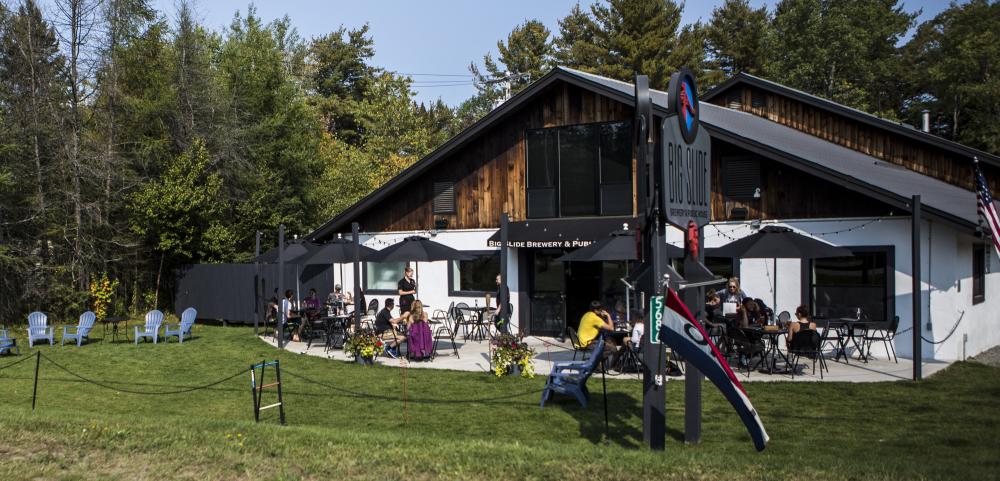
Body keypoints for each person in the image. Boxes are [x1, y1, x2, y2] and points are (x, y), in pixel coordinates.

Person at [577, 301, 621, 370]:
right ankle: (593, 361)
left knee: (610, 341)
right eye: (600, 310)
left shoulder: (587, 314)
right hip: (587, 343)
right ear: (595, 310)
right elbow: (611, 328)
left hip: (581, 341)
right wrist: (608, 315)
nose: (602, 311)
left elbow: (599, 324)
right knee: (613, 349)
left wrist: (601, 316)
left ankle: (599, 362)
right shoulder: (595, 319)